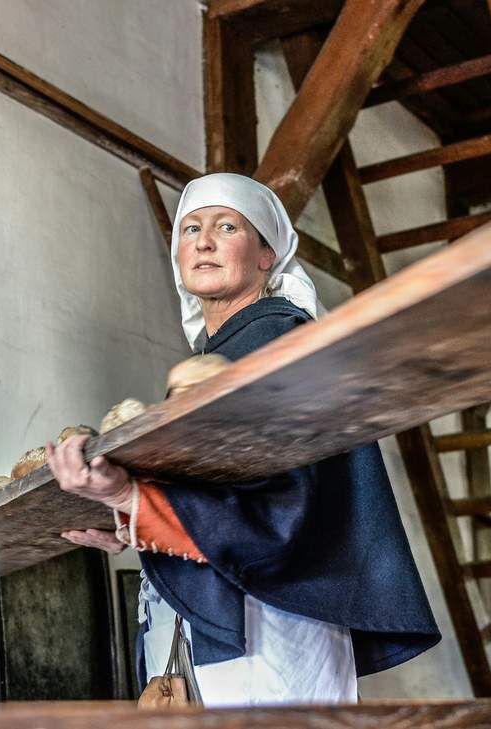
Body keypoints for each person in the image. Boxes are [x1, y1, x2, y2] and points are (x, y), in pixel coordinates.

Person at [45, 173, 439, 707]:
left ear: (265, 256)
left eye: (225, 226)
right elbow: (218, 498)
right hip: (219, 630)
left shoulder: (280, 340)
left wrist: (126, 498)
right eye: (190, 229)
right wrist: (126, 523)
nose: (202, 241)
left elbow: (284, 506)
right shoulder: (218, 358)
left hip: (268, 632)